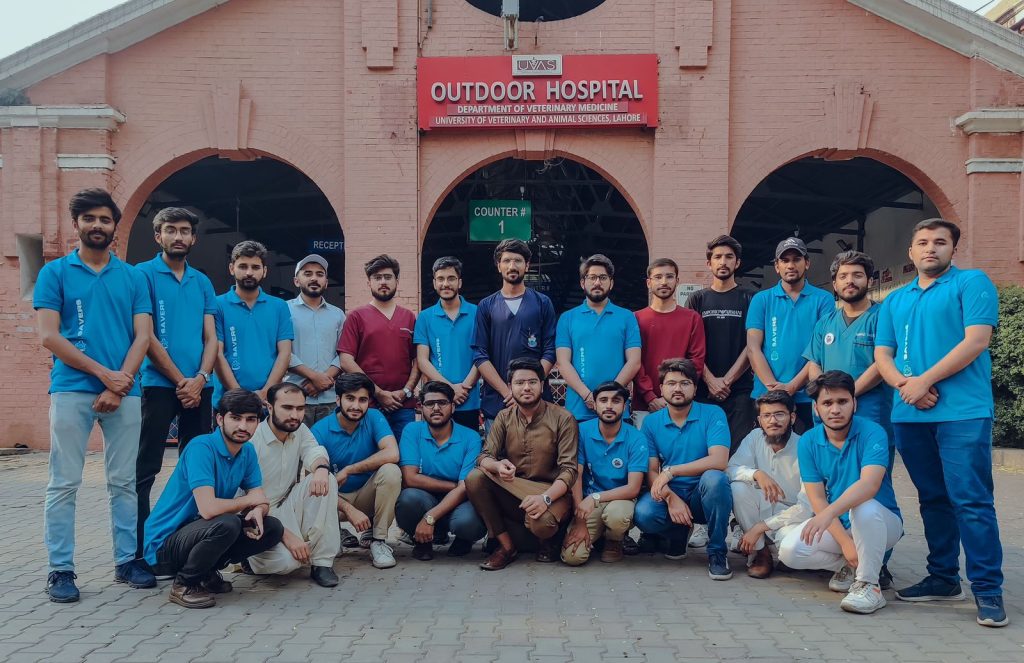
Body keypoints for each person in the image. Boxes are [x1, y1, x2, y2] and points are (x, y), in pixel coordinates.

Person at [874, 218, 1007, 628]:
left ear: (953, 249)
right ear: (911, 252)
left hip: (963, 412)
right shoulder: (895, 300)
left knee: (971, 500)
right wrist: (906, 386)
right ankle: (944, 578)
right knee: (932, 499)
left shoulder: (971, 282)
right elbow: (882, 355)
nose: (930, 248)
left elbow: (976, 340)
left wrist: (924, 381)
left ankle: (987, 590)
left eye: (939, 242)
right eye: (922, 242)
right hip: (910, 414)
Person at [35, 188, 156, 603]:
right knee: (63, 483)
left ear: (114, 226)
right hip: (72, 389)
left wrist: (121, 382)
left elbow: (143, 336)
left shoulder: (133, 277)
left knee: (123, 481)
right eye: (89, 219)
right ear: (77, 225)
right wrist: (106, 376)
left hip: (126, 391)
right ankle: (60, 569)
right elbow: (49, 336)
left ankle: (127, 561)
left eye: (105, 219)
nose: (98, 226)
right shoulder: (55, 273)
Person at [804, 250, 899, 588]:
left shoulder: (881, 317)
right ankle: (847, 552)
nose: (850, 281)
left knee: (872, 487)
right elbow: (814, 364)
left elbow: (881, 363)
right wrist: (823, 399)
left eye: (857, 275)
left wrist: (847, 395)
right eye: (843, 276)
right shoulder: (825, 323)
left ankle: (878, 563)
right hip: (829, 416)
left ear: (869, 280)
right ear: (834, 283)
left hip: (871, 412)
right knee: (834, 485)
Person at [143, 389, 283, 608]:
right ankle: (184, 585)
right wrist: (250, 502)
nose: (243, 426)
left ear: (258, 422)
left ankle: (206, 572)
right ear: (220, 419)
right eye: (235, 418)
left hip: (199, 531)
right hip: (164, 545)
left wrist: (258, 510)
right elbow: (208, 509)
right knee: (228, 523)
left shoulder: (247, 451)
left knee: (272, 527)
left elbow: (260, 499)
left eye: (250, 419)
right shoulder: (201, 448)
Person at [778, 371, 902, 615]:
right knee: (790, 551)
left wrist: (827, 514)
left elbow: (869, 485)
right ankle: (853, 564)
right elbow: (817, 497)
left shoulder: (873, 432)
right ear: (816, 409)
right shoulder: (809, 441)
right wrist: (846, 543)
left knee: (863, 506)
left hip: (881, 522)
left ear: (854, 403)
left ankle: (869, 585)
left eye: (842, 401)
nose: (835, 409)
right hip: (840, 525)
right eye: (827, 403)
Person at [135, 207, 218, 559]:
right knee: (146, 468)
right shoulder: (142, 275)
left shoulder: (202, 281)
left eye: (185, 230)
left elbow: (211, 338)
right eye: (171, 230)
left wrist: (200, 378)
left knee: (196, 465)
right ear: (158, 236)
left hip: (201, 388)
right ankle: (140, 549)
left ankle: (186, 541)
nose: (178, 236)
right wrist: (181, 381)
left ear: (194, 238)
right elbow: (146, 335)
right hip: (157, 385)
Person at [465, 358, 578, 570]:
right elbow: (484, 457)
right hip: (515, 488)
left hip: (551, 492)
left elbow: (569, 471)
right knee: (475, 478)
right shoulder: (503, 417)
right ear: (510, 387)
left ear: (542, 385)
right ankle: (506, 547)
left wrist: (545, 498)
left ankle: (547, 539)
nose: (526, 388)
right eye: (519, 383)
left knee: (542, 523)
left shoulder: (563, 418)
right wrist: (497, 466)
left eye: (532, 382)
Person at [634, 359, 733, 580]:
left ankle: (717, 552)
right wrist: (670, 498)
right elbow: (651, 471)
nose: (677, 388)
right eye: (671, 383)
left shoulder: (713, 413)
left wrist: (672, 471)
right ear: (661, 389)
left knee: (715, 479)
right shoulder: (651, 422)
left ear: (695, 388)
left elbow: (719, 460)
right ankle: (678, 532)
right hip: (673, 491)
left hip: (703, 493)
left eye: (685, 383)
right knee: (644, 514)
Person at [246, 383, 340, 587]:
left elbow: (313, 452)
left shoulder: (300, 429)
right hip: (257, 520)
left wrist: (321, 469)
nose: (295, 415)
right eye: (287, 408)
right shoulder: (252, 441)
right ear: (269, 407)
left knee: (326, 479)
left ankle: (322, 563)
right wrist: (285, 535)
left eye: (300, 408)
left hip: (286, 506)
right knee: (288, 562)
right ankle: (247, 558)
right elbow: (241, 505)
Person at [310, 372, 401, 569]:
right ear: (338, 400)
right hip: (334, 501)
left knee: (391, 471)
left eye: (362, 400)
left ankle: (379, 541)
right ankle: (333, 534)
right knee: (314, 483)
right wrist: (348, 509)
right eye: (350, 398)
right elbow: (312, 482)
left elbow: (392, 453)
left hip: (366, 495)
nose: (356, 406)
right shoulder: (320, 430)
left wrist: (349, 470)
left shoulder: (374, 417)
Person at [746, 237, 833, 433]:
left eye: (796, 259)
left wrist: (792, 386)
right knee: (767, 450)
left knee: (808, 448)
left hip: (808, 394)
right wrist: (774, 389)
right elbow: (753, 348)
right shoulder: (761, 299)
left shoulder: (824, 299)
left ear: (807, 263)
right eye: (785, 260)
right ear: (777, 266)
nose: (791, 265)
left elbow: (821, 350)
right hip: (766, 396)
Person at [395, 381, 486, 561]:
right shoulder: (412, 431)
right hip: (424, 498)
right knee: (408, 499)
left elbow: (466, 487)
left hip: (460, 502)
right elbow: (410, 479)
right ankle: (423, 541)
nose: (436, 408)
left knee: (469, 522)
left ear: (453, 407)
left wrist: (430, 517)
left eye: (442, 403)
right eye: (430, 403)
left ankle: (464, 539)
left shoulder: (471, 437)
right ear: (421, 408)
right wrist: (455, 486)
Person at [472, 239, 557, 430]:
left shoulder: (543, 303)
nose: (512, 266)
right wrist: (508, 392)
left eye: (518, 261)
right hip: (499, 402)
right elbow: (480, 354)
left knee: (541, 450)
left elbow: (550, 350)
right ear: (498, 266)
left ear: (527, 265)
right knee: (497, 450)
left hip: (537, 403)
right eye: (506, 261)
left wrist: (531, 387)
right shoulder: (486, 306)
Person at [561, 381, 646, 566]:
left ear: (625, 406)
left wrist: (595, 498)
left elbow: (633, 488)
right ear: (594, 404)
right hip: (587, 502)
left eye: (616, 401)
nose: (609, 406)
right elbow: (576, 475)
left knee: (616, 515)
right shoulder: (581, 431)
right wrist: (580, 522)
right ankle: (597, 536)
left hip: (620, 499)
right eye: (603, 400)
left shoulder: (637, 437)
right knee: (573, 557)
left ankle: (614, 541)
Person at [726, 390, 808, 579]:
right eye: (767, 415)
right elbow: (730, 469)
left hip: (793, 517)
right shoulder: (755, 437)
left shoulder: (804, 446)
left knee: (792, 551)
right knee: (738, 487)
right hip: (762, 507)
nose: (773, 421)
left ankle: (781, 552)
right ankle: (761, 554)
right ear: (759, 420)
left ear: (792, 417)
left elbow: (807, 507)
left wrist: (760, 527)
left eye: (779, 414)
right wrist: (756, 474)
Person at [338, 254, 419, 441]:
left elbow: (418, 360)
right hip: (367, 404)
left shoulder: (409, 317)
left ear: (397, 281)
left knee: (404, 455)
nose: (383, 282)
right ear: (369, 283)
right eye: (377, 277)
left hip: (403, 406)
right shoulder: (356, 317)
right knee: (369, 454)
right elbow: (346, 360)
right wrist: (378, 393)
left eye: (388, 277)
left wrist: (406, 391)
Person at [687, 236, 755, 452]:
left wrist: (726, 381)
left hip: (741, 391)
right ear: (709, 263)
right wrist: (710, 381)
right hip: (703, 392)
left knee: (737, 453)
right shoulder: (697, 299)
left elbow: (752, 345)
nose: (723, 262)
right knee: (704, 452)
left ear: (738, 262)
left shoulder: (750, 298)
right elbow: (691, 346)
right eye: (717, 257)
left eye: (729, 257)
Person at [556, 254, 642, 423]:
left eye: (603, 277)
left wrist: (610, 396)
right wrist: (587, 395)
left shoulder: (627, 317)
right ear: (583, 283)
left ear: (611, 283)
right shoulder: (568, 318)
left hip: (616, 409)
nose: (597, 282)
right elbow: (562, 362)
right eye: (592, 277)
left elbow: (634, 361)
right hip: (578, 409)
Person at [212, 241, 294, 405]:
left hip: (268, 400)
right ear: (231, 268)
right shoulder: (217, 305)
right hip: (228, 400)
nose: (249, 272)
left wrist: (265, 392)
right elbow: (216, 353)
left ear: (264, 271)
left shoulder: (279, 306)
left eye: (255, 267)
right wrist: (240, 395)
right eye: (243, 266)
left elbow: (285, 353)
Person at [633, 258, 706, 429]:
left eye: (669, 276)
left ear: (677, 281)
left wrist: (676, 394)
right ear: (648, 283)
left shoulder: (692, 318)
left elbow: (696, 361)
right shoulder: (635, 319)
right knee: (645, 448)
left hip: (681, 404)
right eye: (658, 277)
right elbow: (635, 362)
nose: (664, 282)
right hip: (644, 405)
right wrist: (650, 397)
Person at [414, 257, 481, 431]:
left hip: (468, 399)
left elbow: (482, 355)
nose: (446, 284)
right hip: (436, 401)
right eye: (441, 279)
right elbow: (422, 360)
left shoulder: (477, 313)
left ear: (460, 282)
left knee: (468, 444)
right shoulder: (425, 317)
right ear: (434, 283)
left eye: (451, 278)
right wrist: (450, 389)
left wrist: (464, 388)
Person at [286, 254, 346, 427]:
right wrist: (314, 377)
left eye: (320, 274)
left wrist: (323, 380)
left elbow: (344, 352)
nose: (314, 278)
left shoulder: (338, 314)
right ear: (296, 281)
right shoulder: (284, 310)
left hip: (330, 398)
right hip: (294, 398)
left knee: (327, 443)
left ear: (326, 282)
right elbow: (282, 352)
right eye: (307, 273)